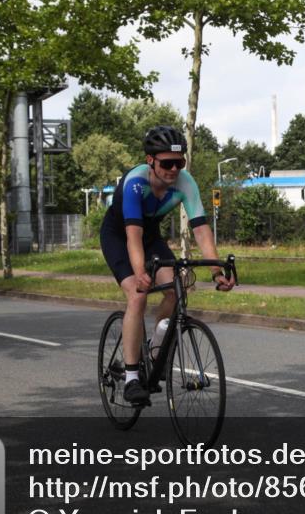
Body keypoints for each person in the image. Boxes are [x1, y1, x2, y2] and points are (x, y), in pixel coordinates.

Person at [100, 126, 235, 404]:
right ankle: (132, 379)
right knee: (137, 297)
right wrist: (139, 273)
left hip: (150, 237)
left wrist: (216, 272)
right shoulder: (135, 183)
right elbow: (133, 237)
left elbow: (200, 229)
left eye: (179, 162)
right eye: (167, 163)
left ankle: (155, 348)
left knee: (177, 289)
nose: (174, 169)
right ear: (150, 160)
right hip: (120, 235)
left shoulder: (186, 183)